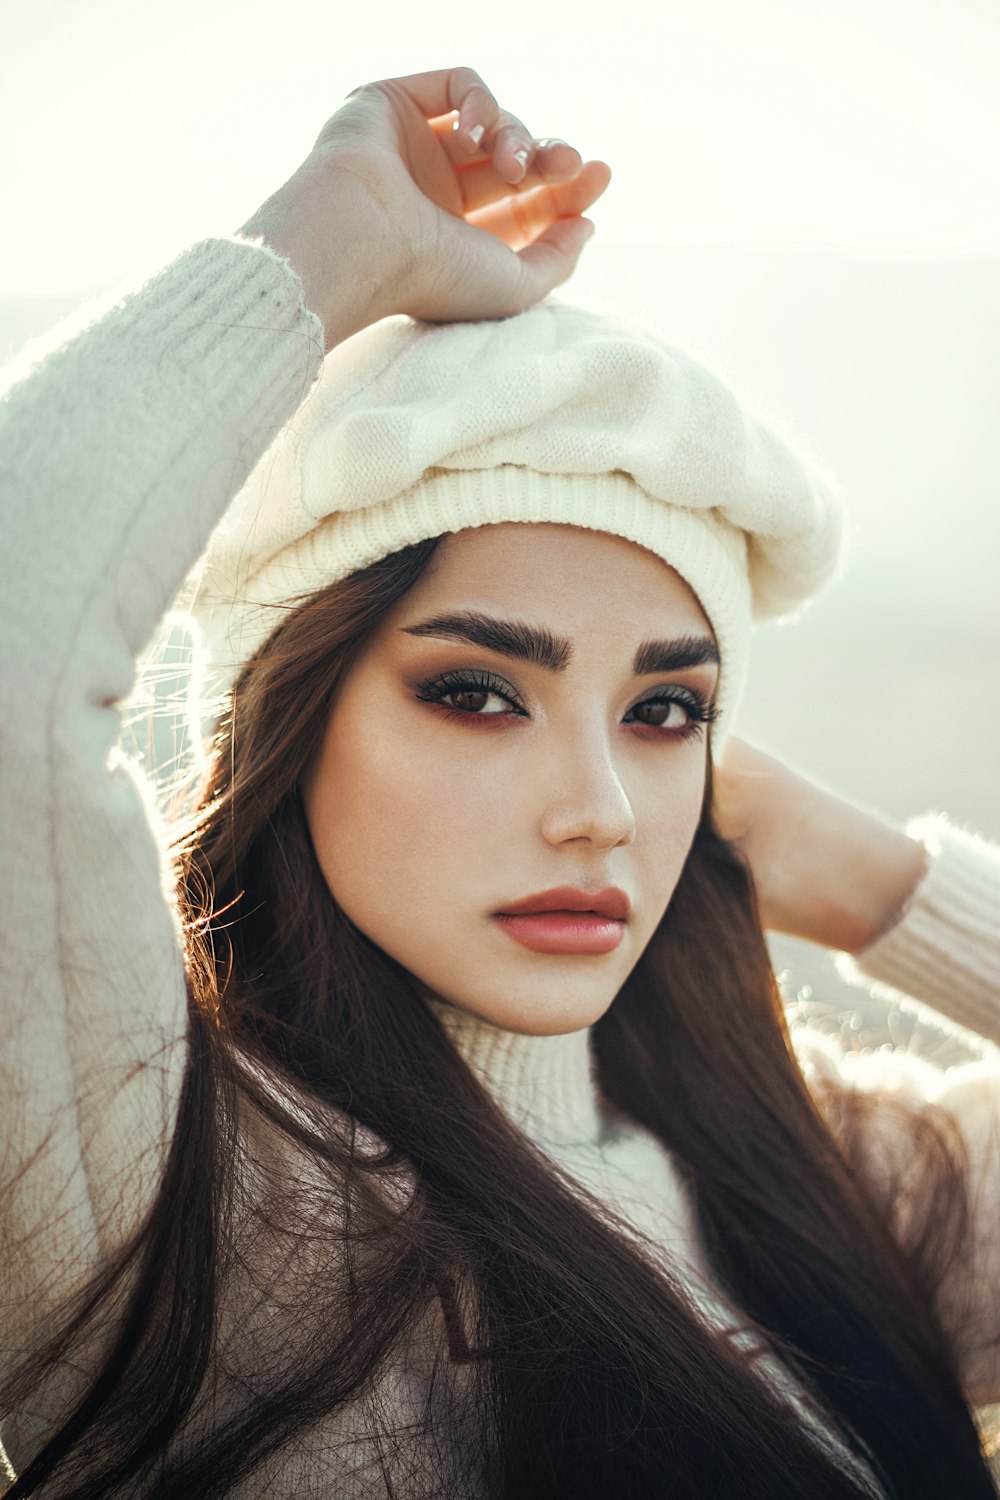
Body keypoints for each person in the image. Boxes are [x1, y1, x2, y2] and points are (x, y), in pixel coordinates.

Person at [1, 64, 999, 1500]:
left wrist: (876, 881)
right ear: (286, 719)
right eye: (476, 693)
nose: (599, 803)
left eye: (666, 710)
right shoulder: (180, 1196)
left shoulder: (824, 1179)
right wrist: (326, 241)